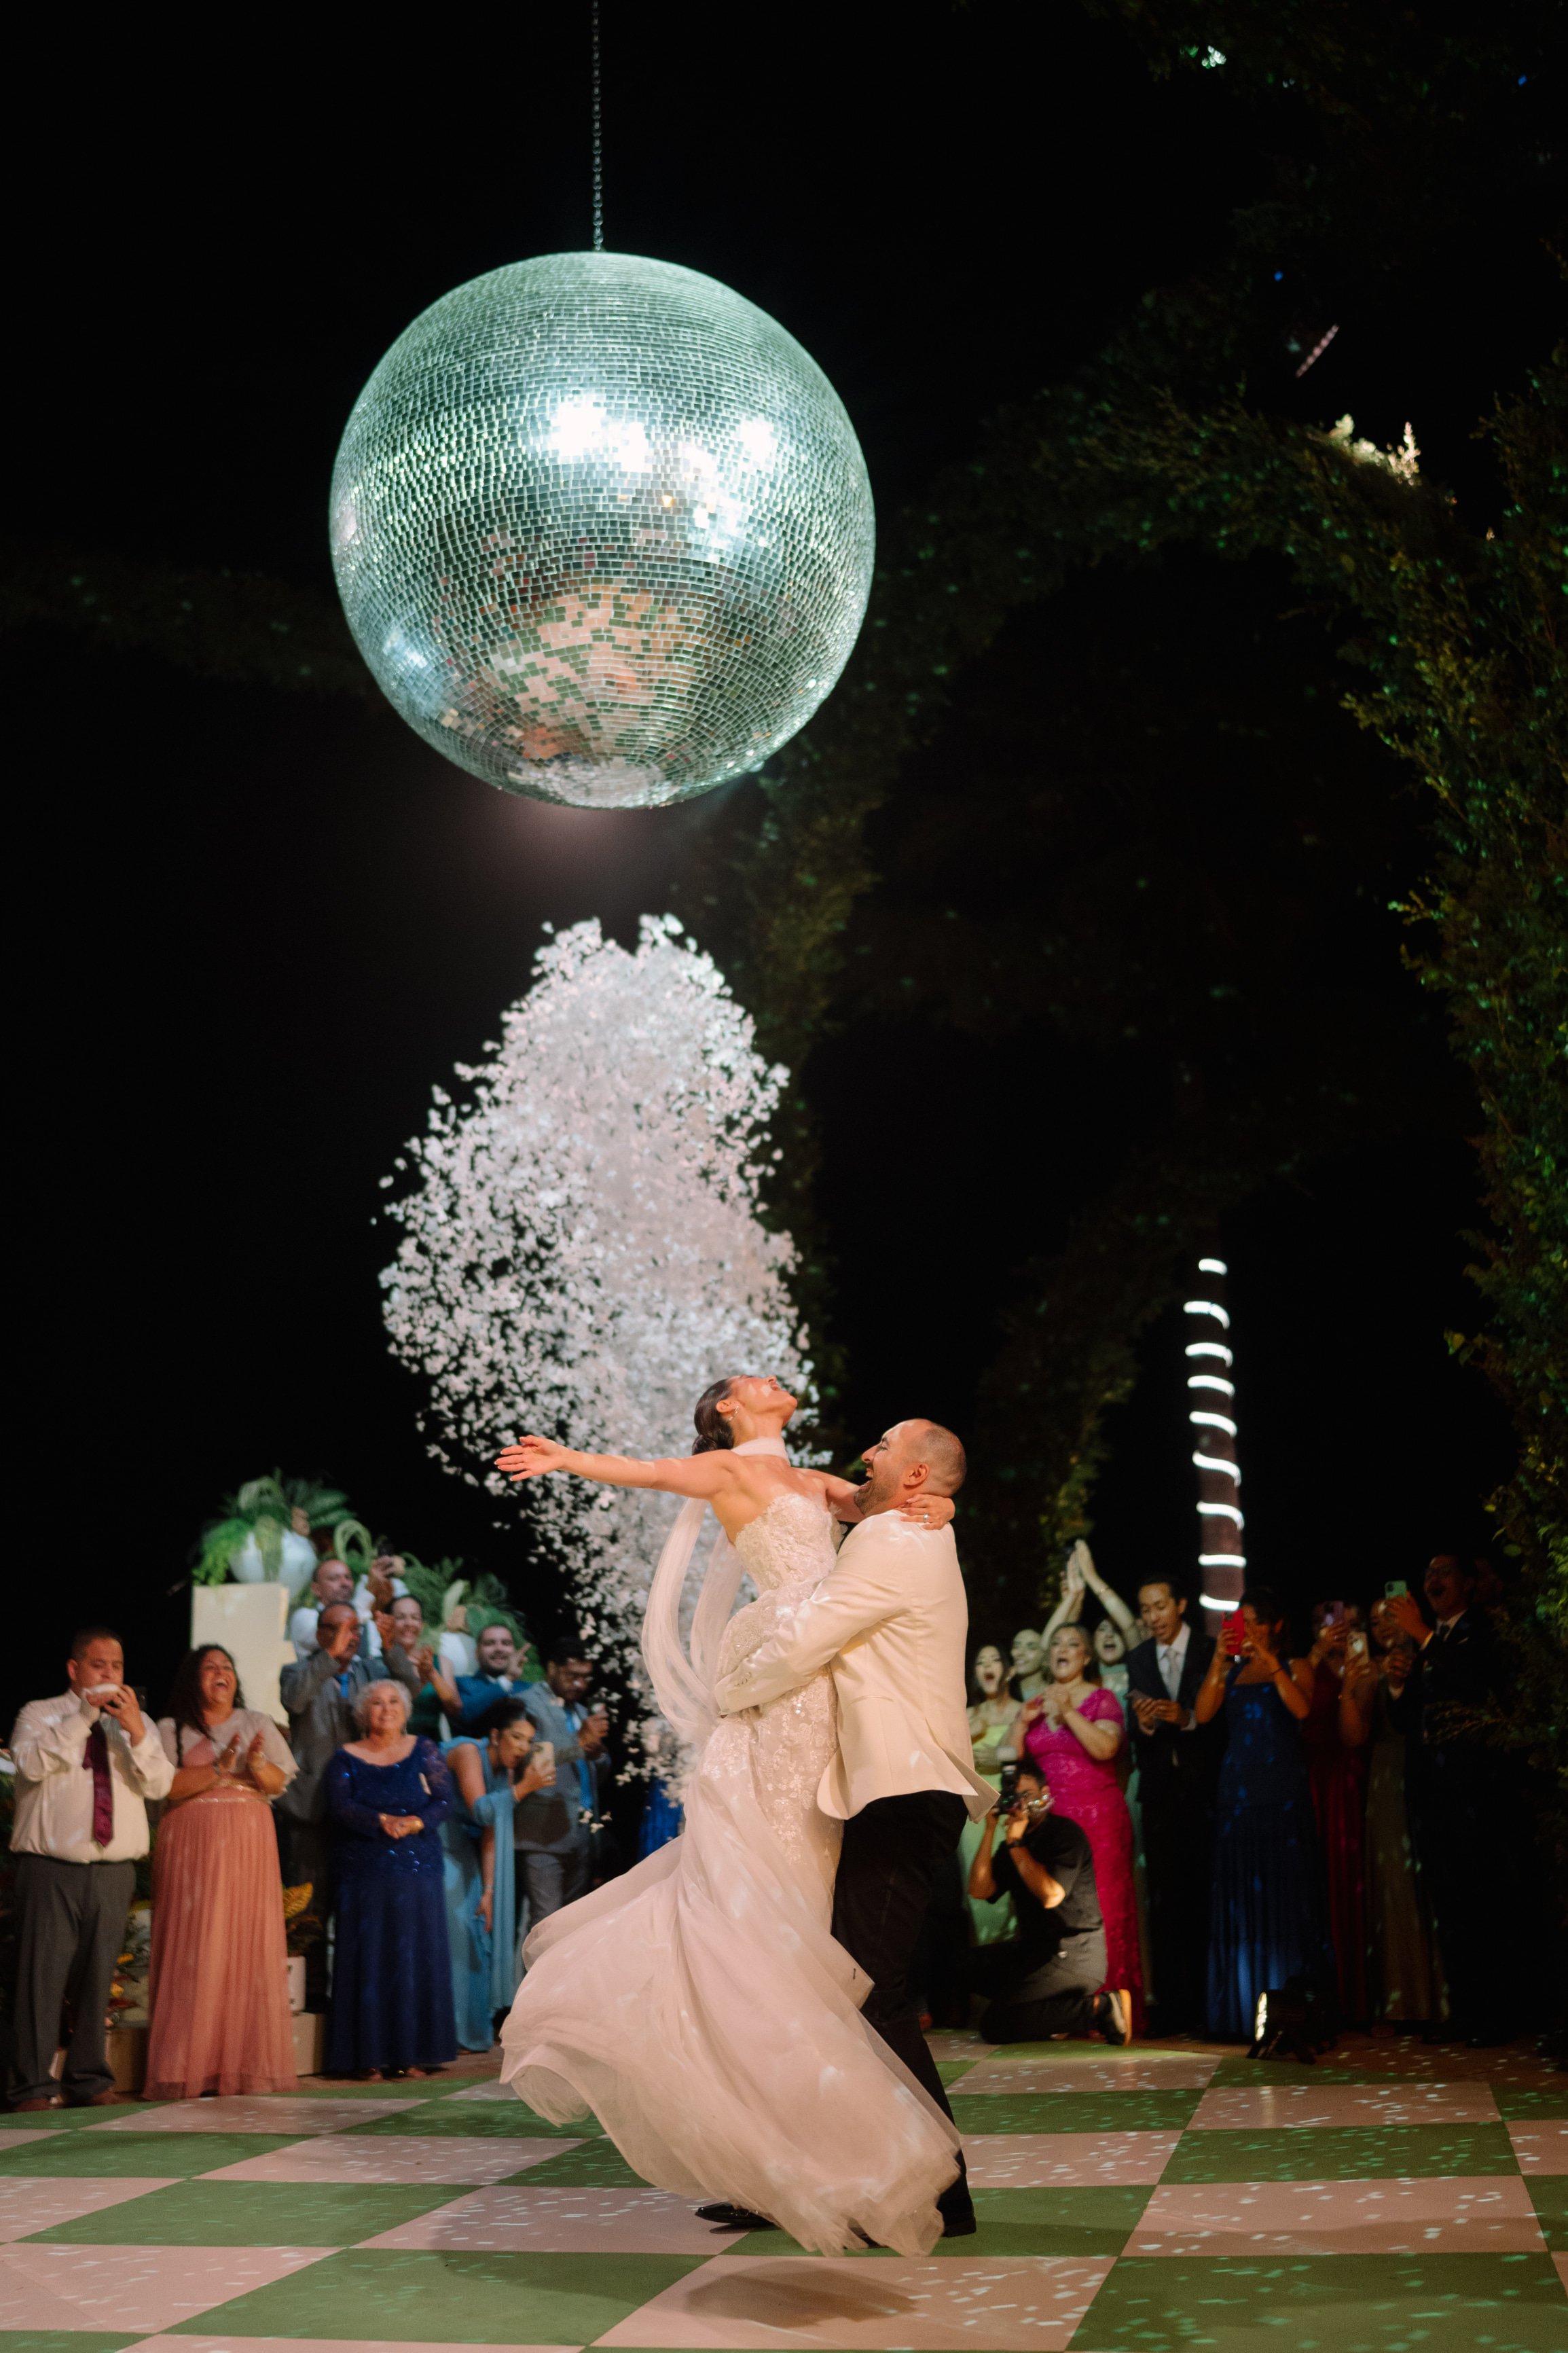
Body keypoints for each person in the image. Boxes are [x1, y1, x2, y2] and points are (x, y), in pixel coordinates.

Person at [495, 1378, 982, 2257]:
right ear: (726, 1409)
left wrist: (936, 1503)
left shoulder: (829, 1492)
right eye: (749, 1383)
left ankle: (822, 2170)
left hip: (826, 1726)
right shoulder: (731, 1469)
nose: (771, 1382)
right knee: (765, 1939)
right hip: (783, 1706)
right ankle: (777, 2171)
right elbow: (652, 1474)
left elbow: (884, 1503)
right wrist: (566, 1459)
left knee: (813, 1961)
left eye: (884, 1450)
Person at [7, 1628, 174, 2110]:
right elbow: (30, 1765)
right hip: (50, 1867)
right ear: (74, 1669)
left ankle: (87, 2078)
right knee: (41, 1978)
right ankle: (32, 2086)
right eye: (99, 1665)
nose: (109, 1674)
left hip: (113, 1869)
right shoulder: (40, 1714)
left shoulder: (135, 1724)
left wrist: (138, 1733)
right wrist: (83, 1716)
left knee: (100, 1978)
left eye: (117, 1666)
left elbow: (162, 1784)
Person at [145, 1645, 298, 2099]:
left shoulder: (257, 1723)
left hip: (248, 1845)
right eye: (210, 1667)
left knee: (242, 1945)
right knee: (194, 1946)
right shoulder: (171, 1728)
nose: (220, 1673)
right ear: (193, 1678)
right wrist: (218, 1767)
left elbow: (277, 1784)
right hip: (191, 1846)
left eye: (226, 1667)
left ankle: (241, 2063)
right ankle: (186, 2065)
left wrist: (252, 1763)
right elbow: (167, 1786)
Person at [1197, 1589, 1334, 2040]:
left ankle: (1292, 2009)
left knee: (1286, 1894)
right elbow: (1202, 1716)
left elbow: (1300, 1708)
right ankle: (1241, 2008)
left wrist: (1270, 1660)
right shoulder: (1231, 1672)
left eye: (1253, 1621)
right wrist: (1219, 1662)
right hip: (1237, 1794)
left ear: (1274, 1625)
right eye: (1238, 1624)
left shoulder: (1295, 1666)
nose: (1246, 1631)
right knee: (1242, 1896)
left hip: (1282, 1792)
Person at [1387, 1555, 1510, 2043]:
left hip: (1473, 1792)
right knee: (1448, 1905)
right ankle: (1463, 2013)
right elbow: (1407, 1724)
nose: (1431, 1579)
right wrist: (1397, 1684)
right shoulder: (1426, 1640)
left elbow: (1474, 1682)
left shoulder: (1481, 1629)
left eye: (1443, 1572)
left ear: (1466, 1583)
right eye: (1427, 1573)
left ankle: (1494, 2017)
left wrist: (1422, 1635)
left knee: (1481, 1902)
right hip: (1431, 1792)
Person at [277, 1602, 420, 2008]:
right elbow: (295, 1700)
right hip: (313, 1810)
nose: (350, 1636)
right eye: (340, 1628)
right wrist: (330, 1656)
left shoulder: (371, 1672)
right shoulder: (297, 1671)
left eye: (356, 1628)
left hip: (368, 1810)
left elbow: (411, 1686)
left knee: (361, 1907)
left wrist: (391, 1647)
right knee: (311, 1908)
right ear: (321, 1634)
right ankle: (313, 2001)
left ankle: (357, 2002)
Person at [324, 1679, 456, 2078]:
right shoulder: (345, 1757)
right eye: (377, 1702)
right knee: (368, 1959)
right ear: (364, 1712)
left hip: (418, 1867)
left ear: (407, 1708)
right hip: (364, 1869)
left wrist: (417, 1821)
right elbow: (340, 1806)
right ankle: (366, 2058)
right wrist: (380, 1821)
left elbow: (445, 1800)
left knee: (413, 1957)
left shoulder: (425, 1750)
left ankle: (411, 2055)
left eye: (394, 1701)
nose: (386, 1708)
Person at [1020, 1625, 1142, 2035]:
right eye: (1055, 1643)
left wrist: (1068, 1710)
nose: (1062, 1649)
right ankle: (1066, 2012)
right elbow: (1012, 1759)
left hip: (1097, 1821)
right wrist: (1022, 1723)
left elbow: (1107, 1749)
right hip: (1051, 1826)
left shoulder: (1102, 1699)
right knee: (1056, 1916)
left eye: (1073, 1643)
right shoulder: (1035, 1702)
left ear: (1087, 1657)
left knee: (1101, 1911)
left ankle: (1112, 2005)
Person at [966, 1759, 1127, 2043]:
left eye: (1027, 1795)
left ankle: (1100, 2009)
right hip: (1034, 1951)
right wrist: (990, 1830)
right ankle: (1051, 2014)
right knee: (964, 1965)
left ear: (1045, 1793)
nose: (1021, 1804)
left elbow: (1052, 1896)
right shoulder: (1012, 1844)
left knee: (995, 2025)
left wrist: (1016, 1845)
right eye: (1014, 1797)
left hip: (1074, 1954)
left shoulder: (1065, 1834)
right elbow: (980, 1890)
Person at [1341, 1598, 1444, 2028]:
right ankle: (1408, 2000)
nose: (1384, 1625)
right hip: (1386, 1779)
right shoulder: (1370, 1669)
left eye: (1392, 1615)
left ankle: (1445, 1997)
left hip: (1434, 1772)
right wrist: (1352, 1684)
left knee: (1434, 1883)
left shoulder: (1432, 1654)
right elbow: (1353, 1736)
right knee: (1397, 1885)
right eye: (1375, 1618)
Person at [1126, 1578, 1221, 2034]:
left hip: (1205, 1791)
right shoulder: (1139, 1658)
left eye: (1160, 1606)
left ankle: (1209, 2007)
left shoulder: (1209, 1649)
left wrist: (1185, 1718)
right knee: (1164, 1902)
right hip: (1160, 1794)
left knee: (1204, 1895)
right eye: (1145, 1610)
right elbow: (1134, 1729)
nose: (1153, 1617)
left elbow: (1220, 1721)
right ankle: (1171, 2007)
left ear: (1180, 1604)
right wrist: (1144, 1725)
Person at [441, 1698, 555, 2049]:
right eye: (517, 1738)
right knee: (456, 1936)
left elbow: (492, 1831)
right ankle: (445, 2029)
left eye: (528, 1741)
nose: (522, 1748)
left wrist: (489, 1890)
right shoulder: (467, 1753)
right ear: (495, 1735)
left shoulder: (503, 1770)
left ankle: (468, 2029)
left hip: (464, 1851)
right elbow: (481, 1812)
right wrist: (523, 1789)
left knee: (478, 1932)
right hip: (435, 1846)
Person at [1302, 1601, 1370, 2024]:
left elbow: (1353, 1736)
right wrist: (1315, 1656)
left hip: (1343, 1782)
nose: (1336, 1633)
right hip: (1306, 1781)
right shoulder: (1302, 1665)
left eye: (1345, 1627)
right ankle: (1314, 1995)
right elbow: (1297, 1708)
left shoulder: (1362, 1668)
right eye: (1326, 1626)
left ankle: (1355, 1999)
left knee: (1348, 1883)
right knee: (1310, 1888)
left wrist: (1348, 1678)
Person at [513, 1642, 610, 1930]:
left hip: (582, 1833)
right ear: (552, 1668)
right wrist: (578, 1743)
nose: (580, 1684)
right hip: (543, 1834)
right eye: (572, 1675)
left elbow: (597, 1772)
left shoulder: (581, 1711)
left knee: (572, 1928)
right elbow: (529, 1760)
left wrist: (599, 1754)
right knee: (546, 1926)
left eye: (585, 1677)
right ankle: (536, 1978)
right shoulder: (527, 1703)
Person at [962, 1644, 1022, 1944]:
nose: (987, 1665)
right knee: (979, 1889)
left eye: (996, 1659)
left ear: (1009, 1671)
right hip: (974, 1815)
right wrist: (971, 1731)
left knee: (1015, 1887)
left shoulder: (1022, 1711)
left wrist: (1004, 1757)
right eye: (980, 1661)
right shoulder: (966, 1716)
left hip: (1013, 1808)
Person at [452, 1623, 530, 1732]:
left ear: (514, 1652)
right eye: (490, 1643)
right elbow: (465, 1716)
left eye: (506, 1643)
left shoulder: (528, 1688)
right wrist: (508, 1678)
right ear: (477, 1653)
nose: (499, 1649)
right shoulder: (461, 1684)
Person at [1008, 1627, 1047, 1698]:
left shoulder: (1052, 1693)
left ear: (1045, 1656)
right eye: (1016, 1646)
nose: (1020, 1653)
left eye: (1031, 1647)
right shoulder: (1005, 1693)